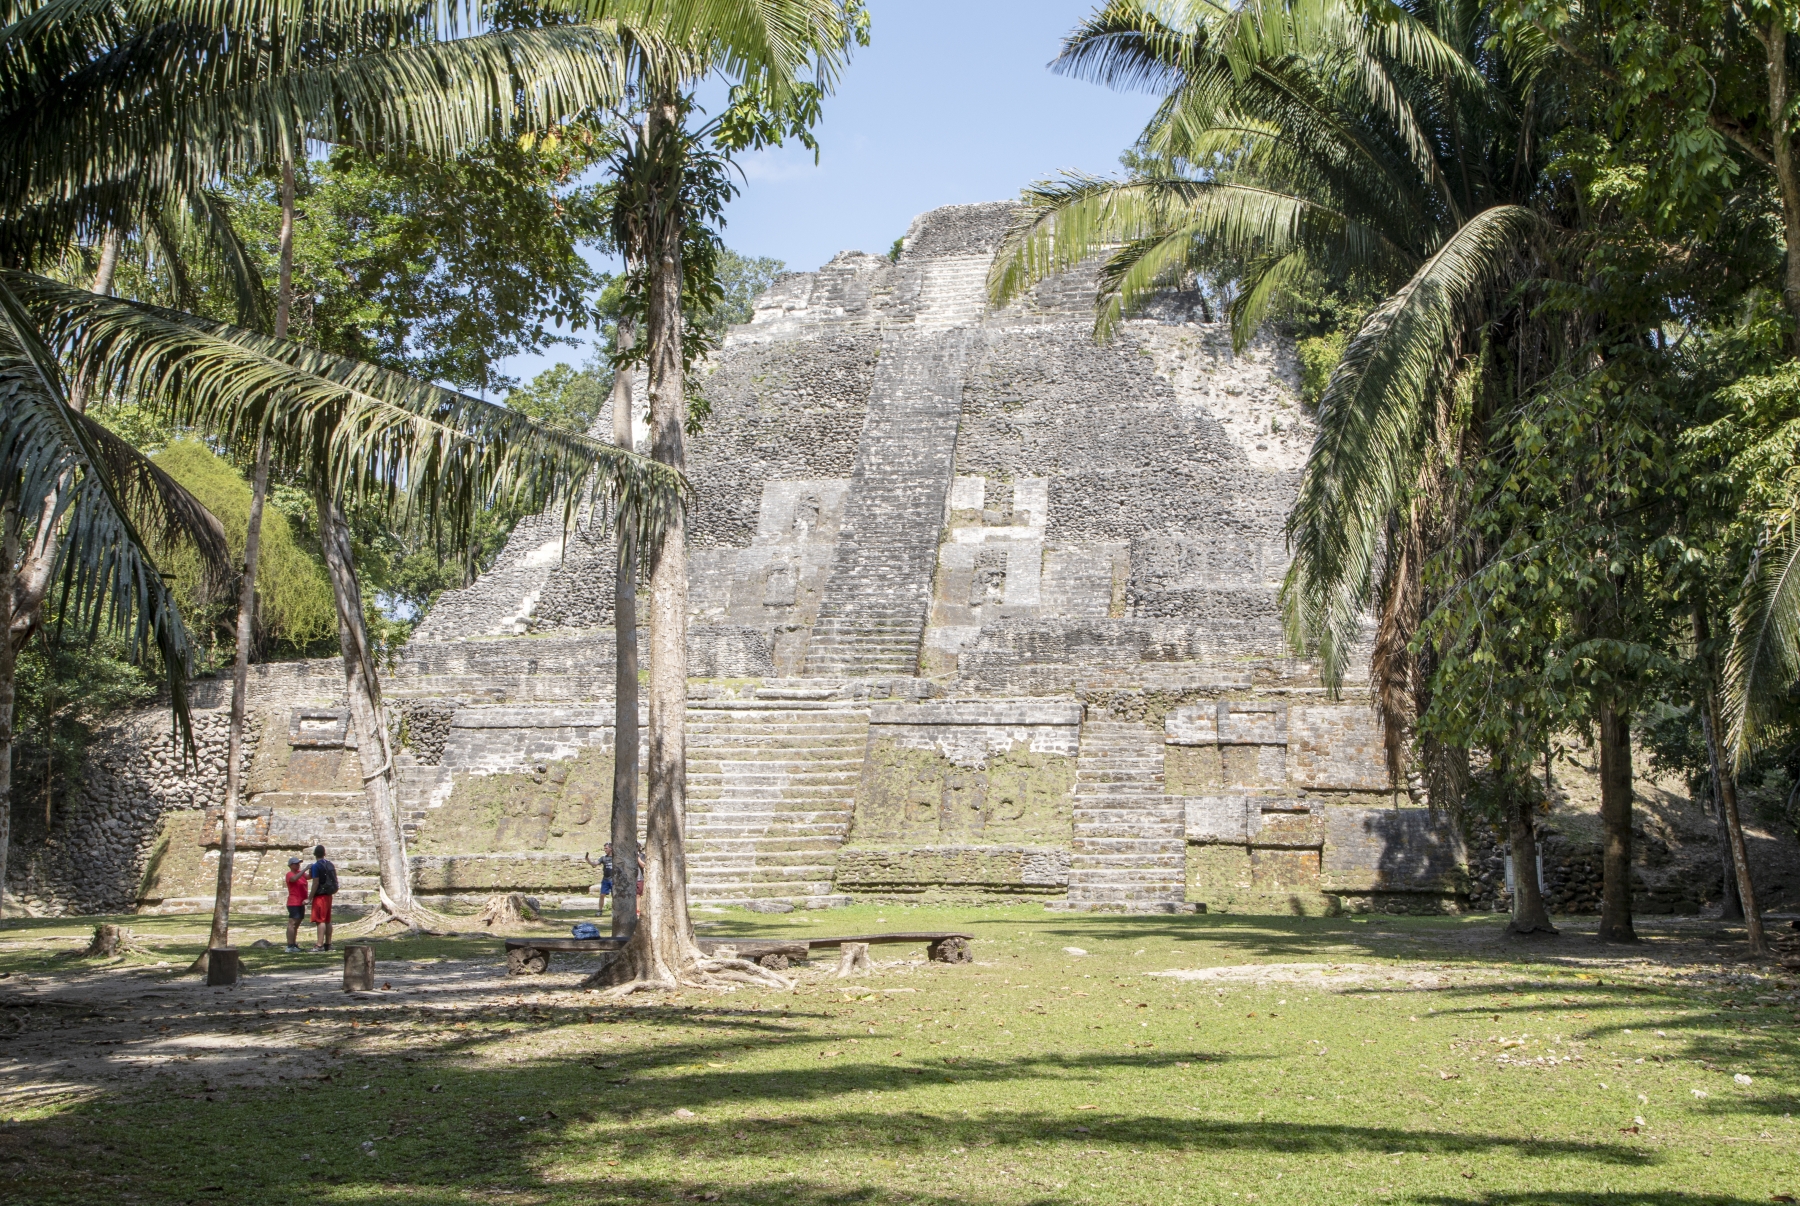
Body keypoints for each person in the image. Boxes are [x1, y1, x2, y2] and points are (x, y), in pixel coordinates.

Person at [306, 844, 337, 952]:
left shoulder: (316, 866)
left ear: (315, 854)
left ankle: (319, 944)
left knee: (320, 920)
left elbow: (315, 883)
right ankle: (328, 943)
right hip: (328, 895)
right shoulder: (329, 864)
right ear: (324, 854)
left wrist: (309, 897)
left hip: (320, 896)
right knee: (327, 920)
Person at [283, 856, 308, 952]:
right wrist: (304, 869)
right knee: (292, 923)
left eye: (299, 864)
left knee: (297, 924)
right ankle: (289, 945)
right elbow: (293, 879)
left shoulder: (300, 873)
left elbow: (308, 876)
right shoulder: (289, 874)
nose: (298, 865)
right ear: (291, 865)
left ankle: (293, 944)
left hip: (301, 902)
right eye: (296, 864)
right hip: (293, 902)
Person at [584, 844, 615, 916]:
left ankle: (614, 911)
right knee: (602, 895)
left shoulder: (615, 858)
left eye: (606, 848)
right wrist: (588, 860)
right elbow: (594, 864)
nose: (605, 850)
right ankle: (600, 911)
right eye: (604, 848)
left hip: (614, 880)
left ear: (611, 848)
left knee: (614, 896)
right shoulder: (603, 858)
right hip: (606, 879)